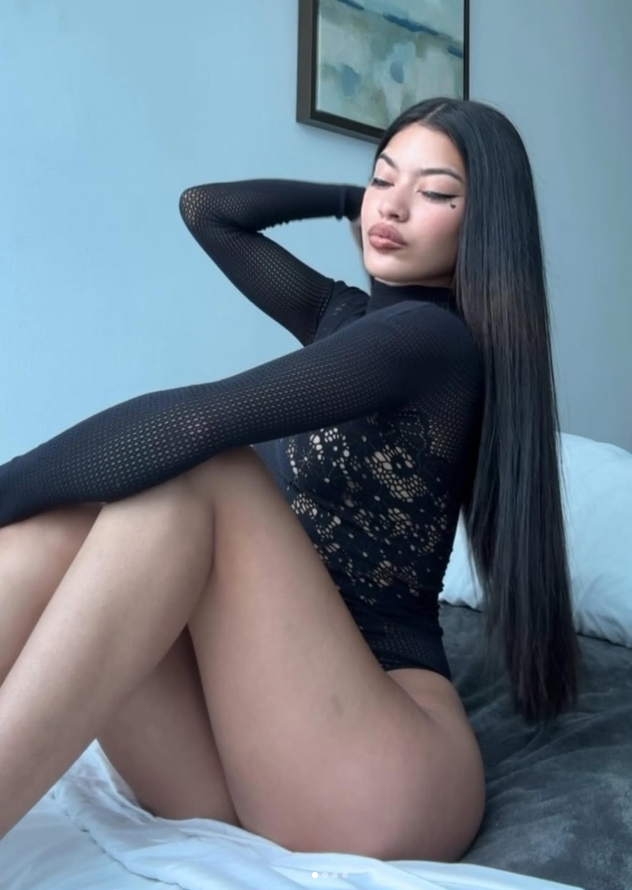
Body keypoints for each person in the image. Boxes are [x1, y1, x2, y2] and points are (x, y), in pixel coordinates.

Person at [0, 97, 578, 862]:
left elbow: (196, 424)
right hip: (260, 755)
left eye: (436, 192)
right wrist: (350, 199)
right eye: (383, 179)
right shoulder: (343, 319)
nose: (392, 206)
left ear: (484, 223)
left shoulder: (436, 342)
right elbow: (209, 212)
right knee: (68, 529)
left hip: (385, 769)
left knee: (206, 472)